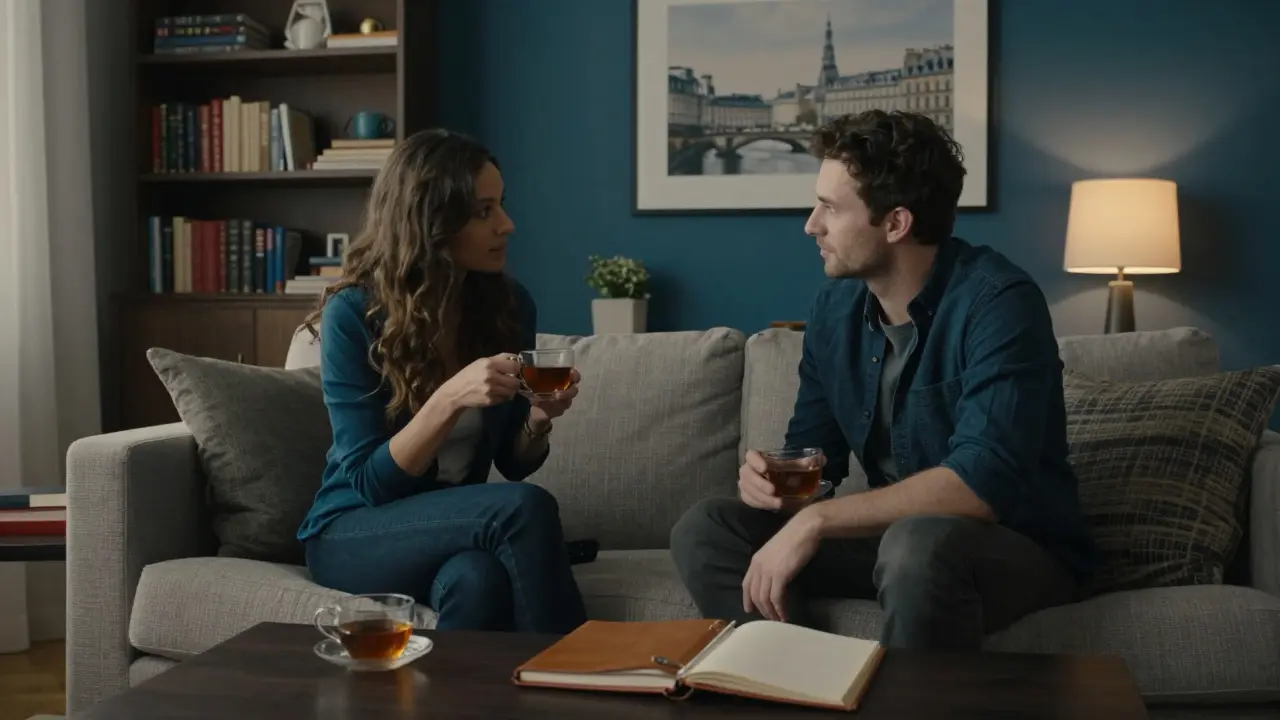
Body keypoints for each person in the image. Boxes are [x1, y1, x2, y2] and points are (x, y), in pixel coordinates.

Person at [670, 110, 1097, 650]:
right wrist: (774, 482)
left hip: (1014, 547)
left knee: (918, 544)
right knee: (707, 527)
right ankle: (799, 684)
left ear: (895, 224)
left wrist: (817, 521)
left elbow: (980, 485)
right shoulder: (835, 308)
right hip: (895, 541)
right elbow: (815, 457)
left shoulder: (999, 303)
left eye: (829, 208)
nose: (810, 225)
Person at [296, 128, 588, 634]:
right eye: (484, 212)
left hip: (449, 529)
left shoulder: (509, 306)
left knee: (477, 581)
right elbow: (371, 482)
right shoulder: (354, 314)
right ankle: (579, 679)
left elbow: (512, 464)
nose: (508, 225)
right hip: (352, 528)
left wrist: (538, 420)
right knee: (523, 510)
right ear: (431, 221)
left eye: (501, 206)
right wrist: (449, 397)